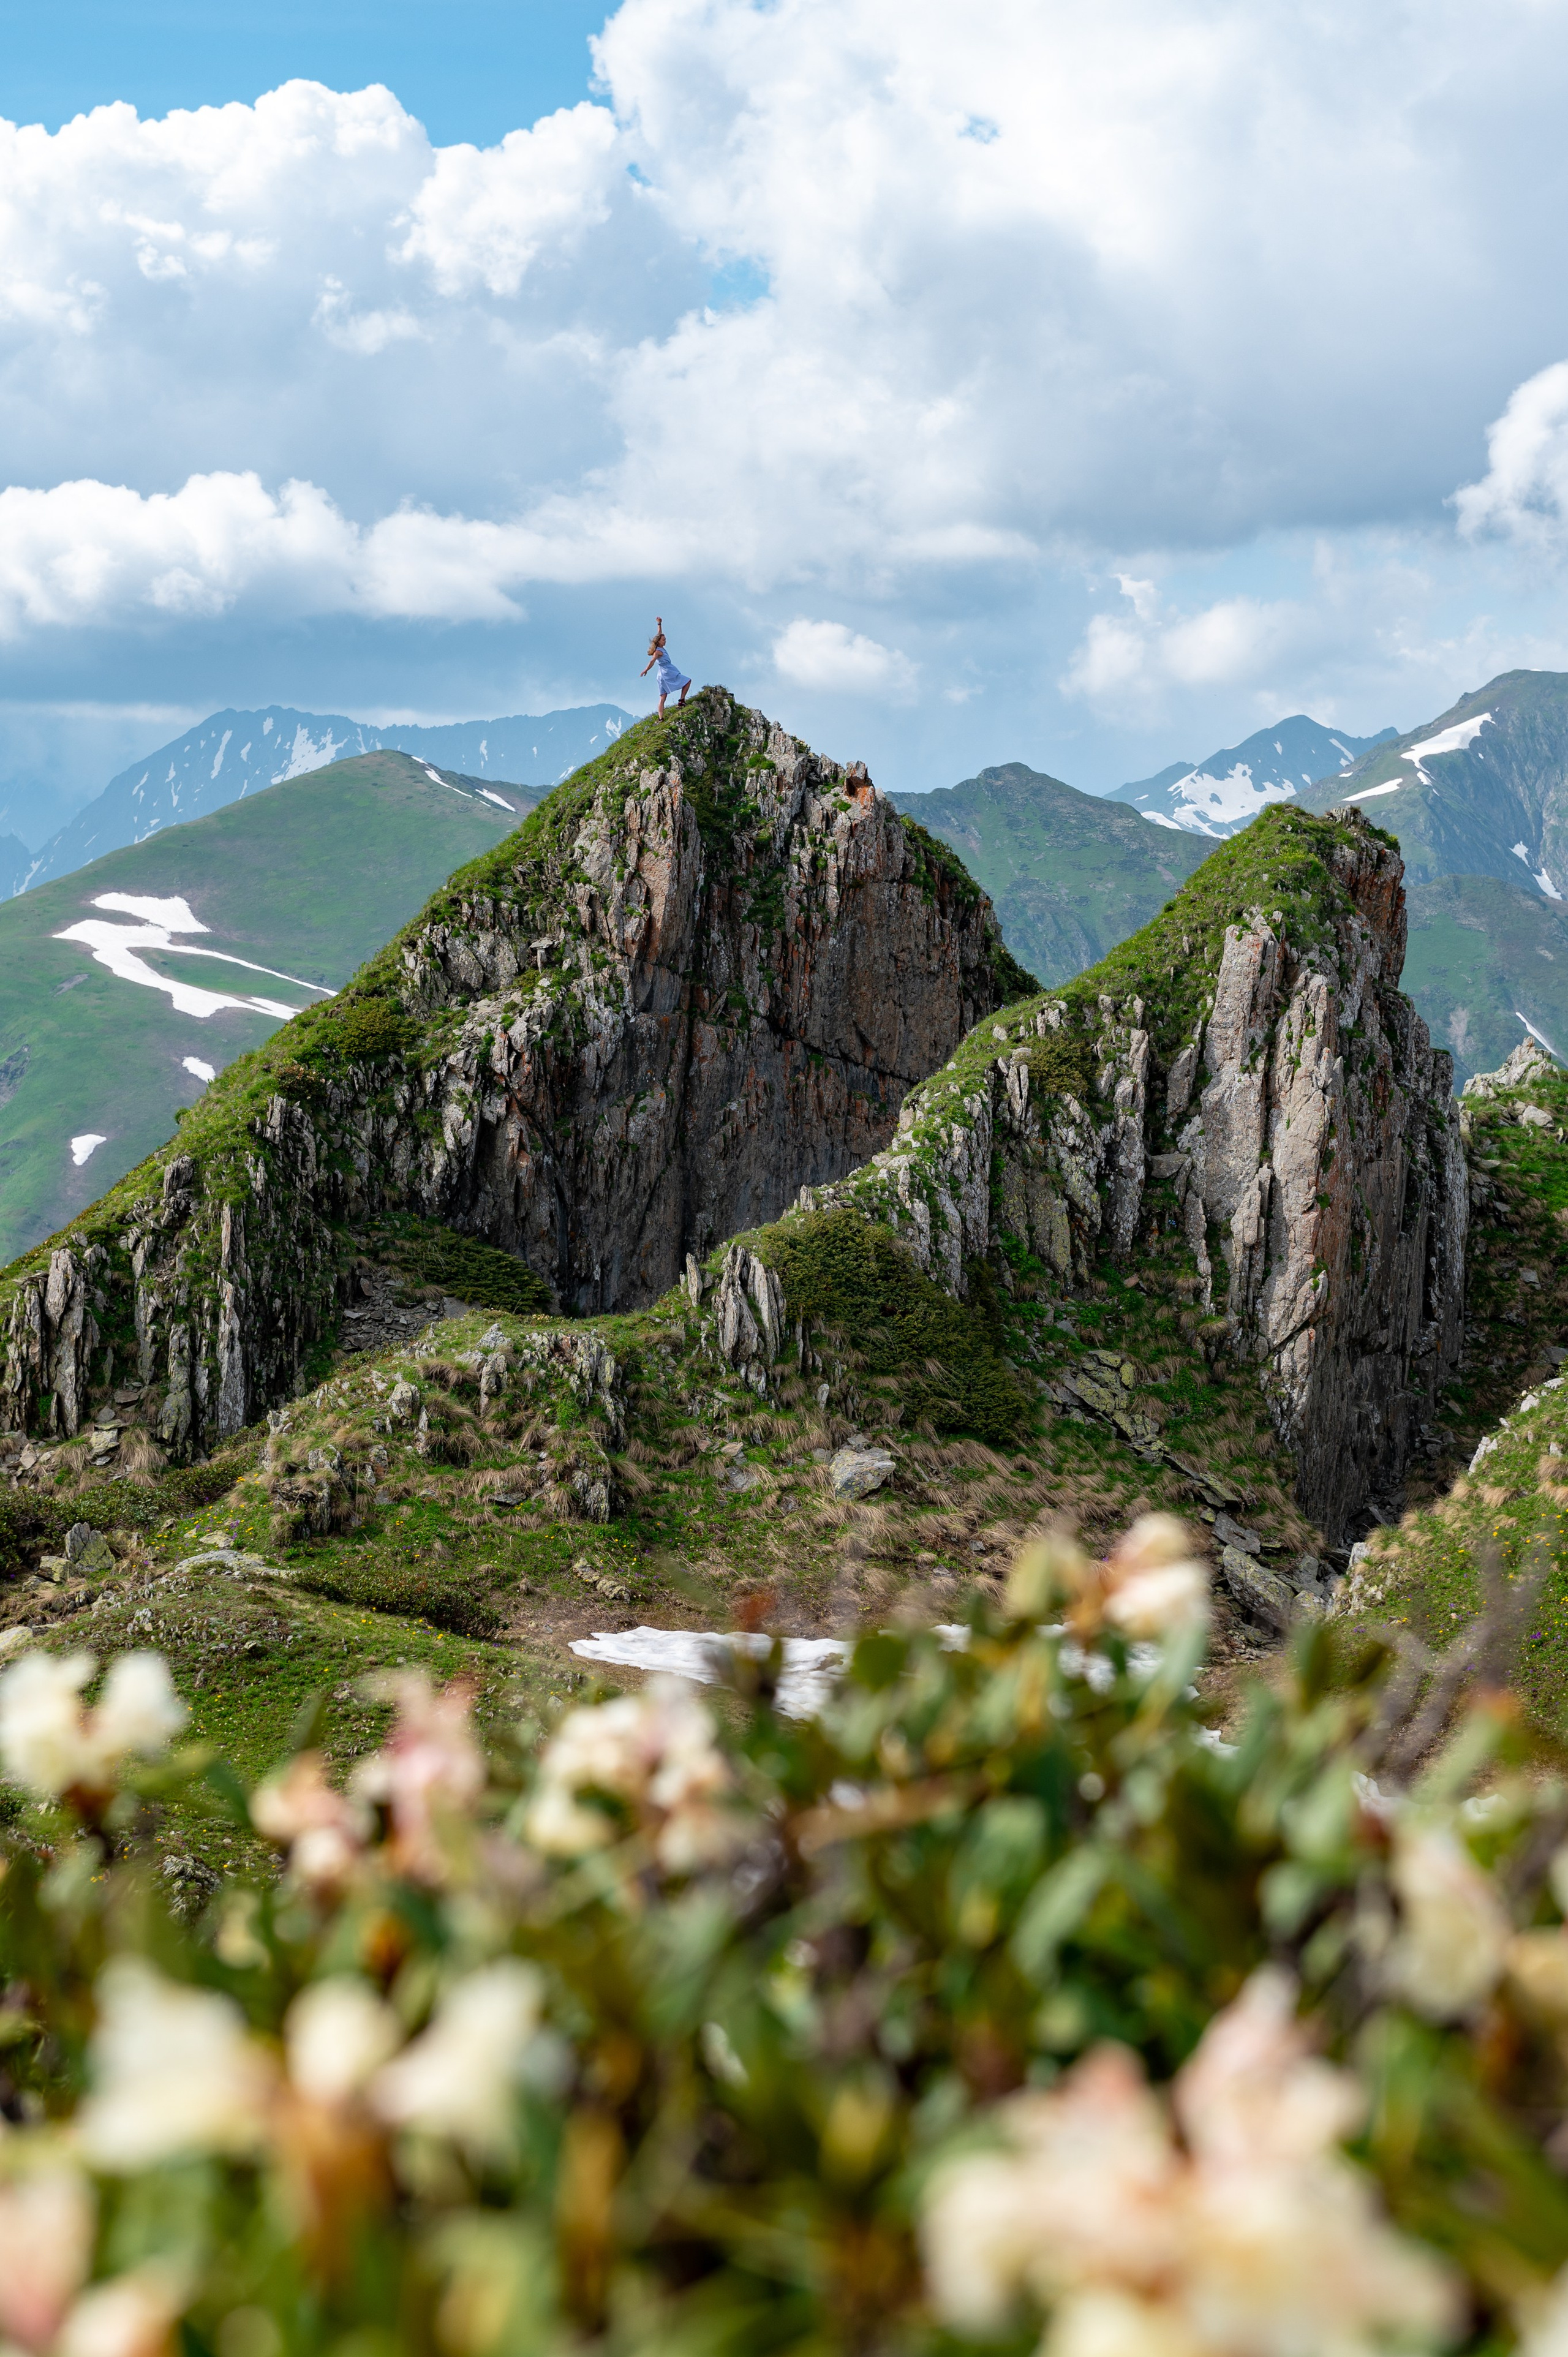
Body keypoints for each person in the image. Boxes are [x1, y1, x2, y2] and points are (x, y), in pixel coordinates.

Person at [641, 617, 691, 716]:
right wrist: (646, 670)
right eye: (664, 640)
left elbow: (659, 634)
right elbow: (652, 661)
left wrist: (659, 624)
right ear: (659, 641)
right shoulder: (658, 652)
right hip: (667, 672)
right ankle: (681, 701)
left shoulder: (660, 648)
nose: (665, 641)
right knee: (688, 681)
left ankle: (660, 719)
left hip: (661, 675)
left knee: (663, 697)